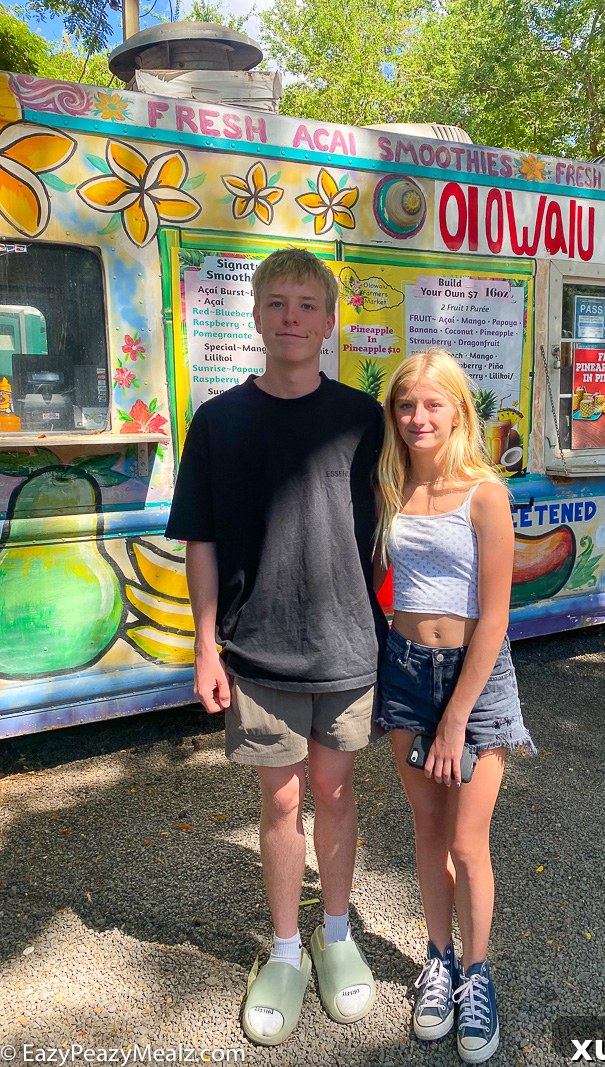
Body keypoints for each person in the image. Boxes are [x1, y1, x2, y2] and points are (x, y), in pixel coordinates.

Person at [165, 248, 386, 1046]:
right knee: (281, 798)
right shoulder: (218, 420)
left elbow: (410, 516)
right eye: (278, 303)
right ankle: (286, 950)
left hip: (348, 646)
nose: (292, 316)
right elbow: (200, 540)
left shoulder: (365, 418)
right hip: (256, 648)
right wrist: (203, 645)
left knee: (333, 790)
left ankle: (336, 936)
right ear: (256, 317)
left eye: (307, 304)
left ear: (329, 322)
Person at [373, 347, 534, 1063]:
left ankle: (476, 973)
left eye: (432, 403)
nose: (418, 417)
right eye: (407, 404)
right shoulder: (388, 485)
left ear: (459, 410)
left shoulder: (486, 494)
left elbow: (496, 616)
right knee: (428, 834)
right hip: (406, 672)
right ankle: (436, 960)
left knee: (469, 843)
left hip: (476, 678)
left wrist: (458, 716)